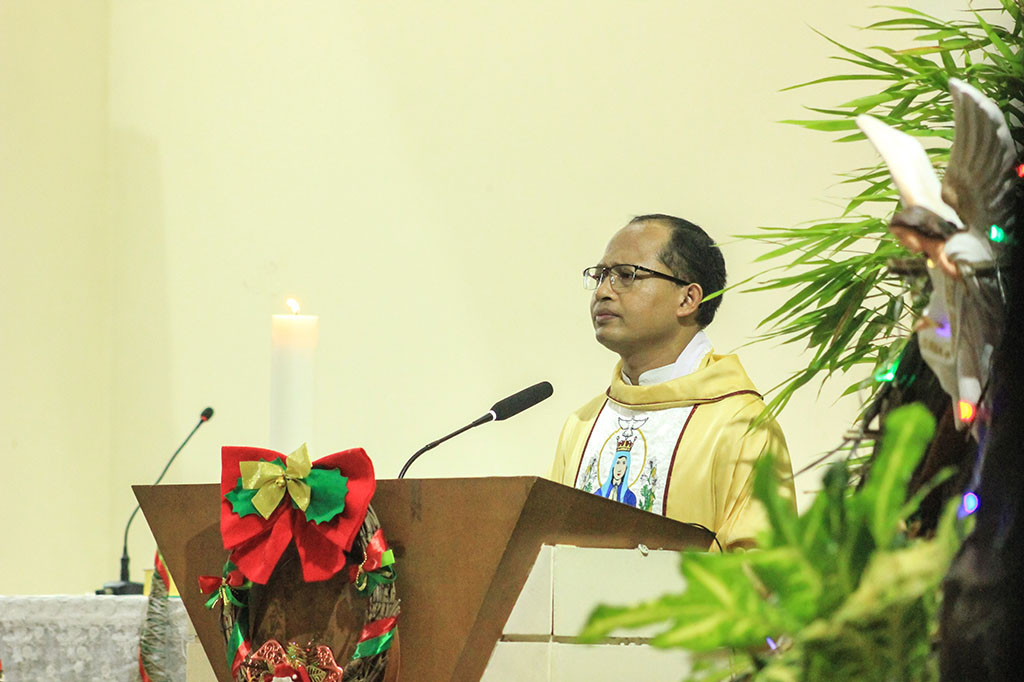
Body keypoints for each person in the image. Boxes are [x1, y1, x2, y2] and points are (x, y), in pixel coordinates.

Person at [548, 214, 795, 550]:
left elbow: (761, 569)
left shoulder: (743, 426)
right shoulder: (582, 425)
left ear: (687, 299)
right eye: (601, 275)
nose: (604, 291)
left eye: (626, 275)